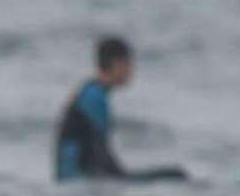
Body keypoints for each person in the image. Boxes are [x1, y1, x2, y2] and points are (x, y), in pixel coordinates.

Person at [54, 36, 188, 182]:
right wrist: (123, 182)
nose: (132, 71)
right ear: (117, 64)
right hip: (80, 179)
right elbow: (100, 150)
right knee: (177, 176)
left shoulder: (90, 92)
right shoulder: (95, 97)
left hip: (82, 176)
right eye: (129, 65)